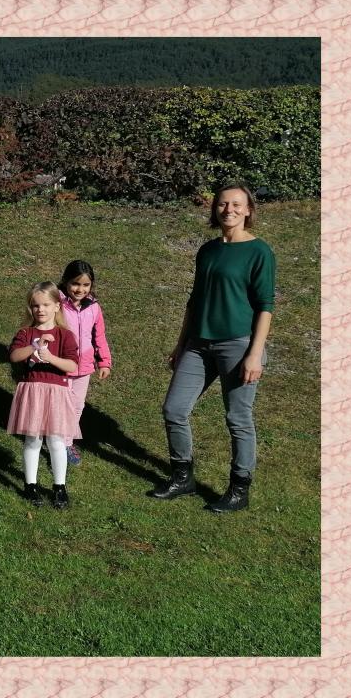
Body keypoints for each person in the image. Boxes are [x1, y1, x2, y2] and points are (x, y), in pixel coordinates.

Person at [154, 183, 275, 513]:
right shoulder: (207, 251)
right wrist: (181, 345)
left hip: (238, 345)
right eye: (223, 204)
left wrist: (254, 352)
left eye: (237, 204)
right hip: (198, 344)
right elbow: (194, 302)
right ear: (215, 209)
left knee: (238, 418)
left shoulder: (259, 252)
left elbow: (265, 305)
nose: (229, 210)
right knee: (174, 409)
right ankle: (183, 476)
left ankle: (239, 488)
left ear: (248, 210)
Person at [7, 282, 80, 509]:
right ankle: (31, 485)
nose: (41, 310)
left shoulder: (65, 335)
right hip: (32, 392)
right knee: (32, 440)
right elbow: (14, 356)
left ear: (57, 306)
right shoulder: (25, 333)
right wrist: (34, 346)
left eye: (46, 305)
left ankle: (60, 487)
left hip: (56, 393)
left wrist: (50, 357)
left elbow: (72, 365)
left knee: (56, 441)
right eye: (35, 305)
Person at [57, 260, 112, 466]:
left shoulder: (94, 307)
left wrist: (104, 361)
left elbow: (100, 336)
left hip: (84, 367)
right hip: (61, 365)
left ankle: (66, 443)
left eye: (85, 285)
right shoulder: (56, 305)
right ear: (65, 281)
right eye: (75, 284)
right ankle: (54, 440)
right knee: (59, 405)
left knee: (77, 406)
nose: (80, 289)